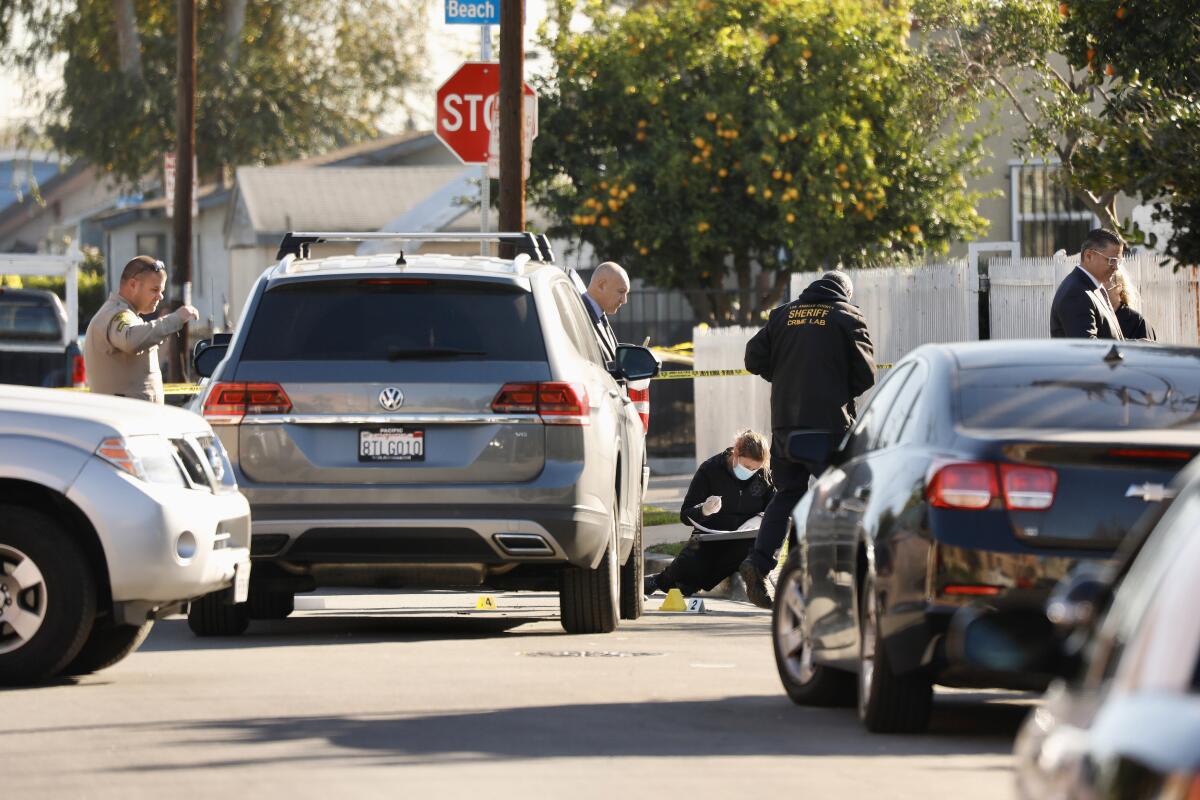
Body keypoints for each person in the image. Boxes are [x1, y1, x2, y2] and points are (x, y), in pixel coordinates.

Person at [738, 270, 876, 608]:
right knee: (838, 497)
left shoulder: (783, 314)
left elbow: (753, 359)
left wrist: (784, 378)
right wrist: (840, 392)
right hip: (829, 426)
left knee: (787, 495)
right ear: (845, 292)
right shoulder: (847, 315)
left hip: (785, 426)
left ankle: (759, 563)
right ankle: (828, 576)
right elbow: (866, 374)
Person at [644, 430, 775, 598]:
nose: (751, 471)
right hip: (709, 538)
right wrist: (703, 510)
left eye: (755, 468)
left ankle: (680, 584)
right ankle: (665, 581)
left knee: (748, 550)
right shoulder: (710, 469)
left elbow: (776, 507)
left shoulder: (763, 476)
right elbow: (685, 515)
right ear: (735, 453)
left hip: (742, 540)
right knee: (691, 562)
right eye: (747, 467)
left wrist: (760, 517)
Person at [84, 255, 199, 403]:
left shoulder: (124, 314)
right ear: (133, 285)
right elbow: (131, 340)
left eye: (161, 290)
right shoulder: (117, 315)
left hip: (133, 419)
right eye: (154, 289)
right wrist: (175, 319)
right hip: (126, 420)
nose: (160, 296)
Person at [1050, 228, 1125, 340]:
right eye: (1111, 260)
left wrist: (1138, 345)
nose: (1116, 267)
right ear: (1089, 256)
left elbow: (1110, 341)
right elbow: (1086, 349)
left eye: (1118, 261)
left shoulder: (1093, 287)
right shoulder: (1076, 293)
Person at [581, 261, 629, 361]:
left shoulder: (599, 315)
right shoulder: (579, 315)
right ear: (601, 285)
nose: (624, 300)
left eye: (626, 293)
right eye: (621, 292)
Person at [1106, 268, 1157, 341]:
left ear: (1118, 288)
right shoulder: (1094, 318)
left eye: (1103, 290)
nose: (1099, 293)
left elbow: (1148, 351)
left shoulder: (1138, 322)